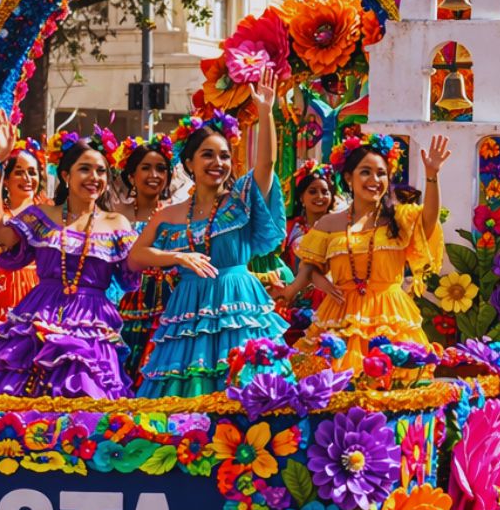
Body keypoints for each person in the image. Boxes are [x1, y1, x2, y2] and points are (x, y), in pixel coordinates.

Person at [0, 118, 140, 399]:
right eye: (84, 169)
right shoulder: (43, 216)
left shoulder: (117, 224)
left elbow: (133, 268)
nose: (94, 177)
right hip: (41, 311)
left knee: (85, 395)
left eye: (101, 171)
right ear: (65, 175)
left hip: (90, 319)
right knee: (12, 393)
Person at [134, 92, 291, 396]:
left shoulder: (242, 200)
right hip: (190, 304)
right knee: (189, 386)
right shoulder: (170, 214)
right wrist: (177, 259)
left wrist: (265, 111)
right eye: (207, 154)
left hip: (239, 300)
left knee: (250, 384)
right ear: (189, 163)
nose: (217, 162)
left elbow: (267, 163)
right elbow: (137, 256)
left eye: (224, 156)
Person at [293, 131, 450, 373]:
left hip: (390, 314)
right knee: (335, 387)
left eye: (381, 173)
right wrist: (319, 281)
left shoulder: (399, 217)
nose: (374, 179)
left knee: (394, 388)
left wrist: (432, 176)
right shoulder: (328, 224)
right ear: (348, 177)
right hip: (340, 313)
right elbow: (309, 266)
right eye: (365, 171)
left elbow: (429, 220)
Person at [110, 132, 178, 389]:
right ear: (130, 176)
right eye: (146, 168)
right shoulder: (115, 215)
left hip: (170, 304)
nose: (154, 175)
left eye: (161, 169)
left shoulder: (178, 213)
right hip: (123, 303)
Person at [269, 162, 344, 341]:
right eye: (313, 191)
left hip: (331, 298)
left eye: (325, 192)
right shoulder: (289, 228)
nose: (320, 196)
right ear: (301, 197)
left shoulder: (341, 229)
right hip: (294, 299)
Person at [0, 138, 47, 320]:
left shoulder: (47, 211)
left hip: (38, 288)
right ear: (6, 180)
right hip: (1, 289)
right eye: (19, 172)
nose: (27, 179)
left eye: (32, 173)